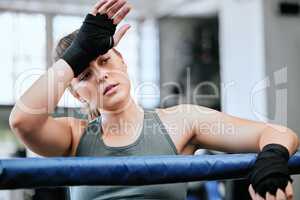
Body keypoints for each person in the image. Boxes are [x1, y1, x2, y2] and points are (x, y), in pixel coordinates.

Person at [9, 0, 299, 200]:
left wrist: (271, 159)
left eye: (106, 61)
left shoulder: (181, 122)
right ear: (74, 92)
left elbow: (278, 133)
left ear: (122, 61)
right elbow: (23, 121)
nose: (101, 76)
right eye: (84, 75)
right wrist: (76, 55)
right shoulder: (74, 135)